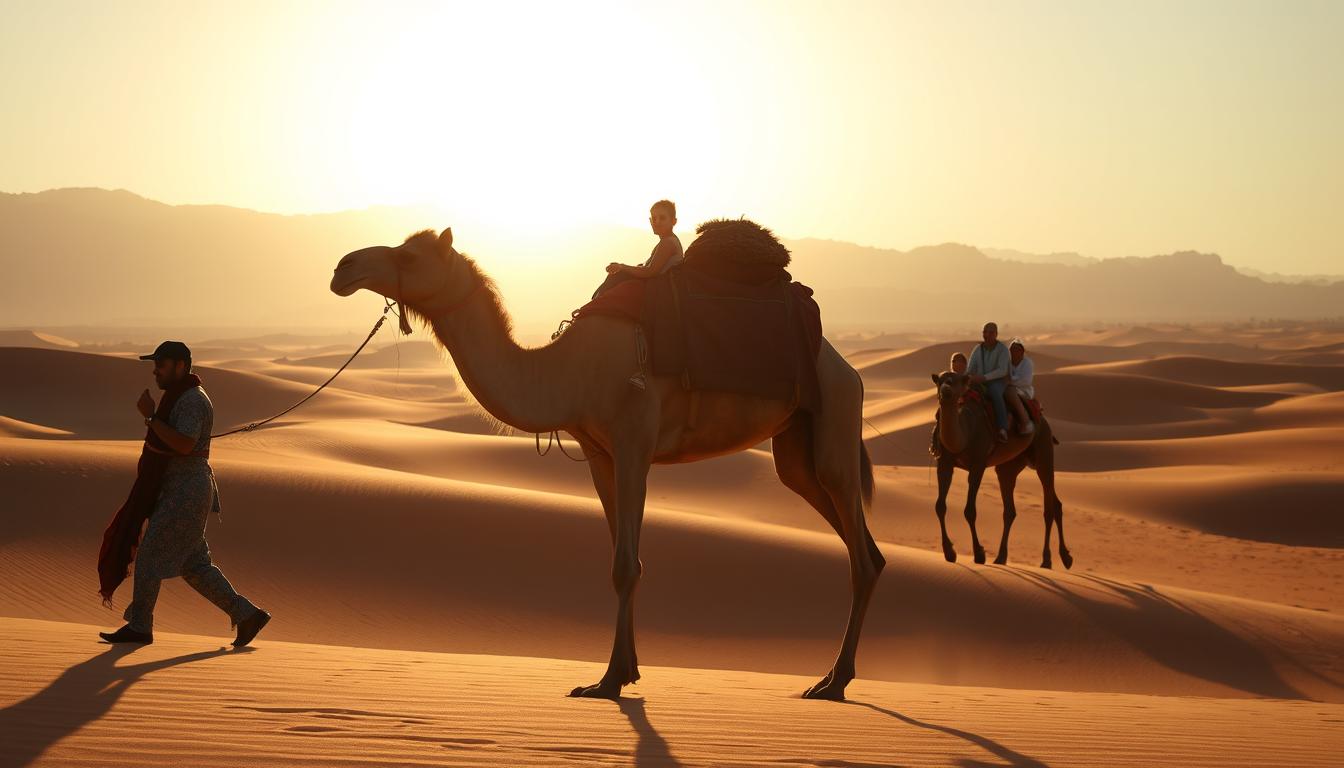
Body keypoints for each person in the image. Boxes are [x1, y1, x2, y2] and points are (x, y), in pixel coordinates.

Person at [98, 340, 270, 646]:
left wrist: (151, 418)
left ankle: (140, 627)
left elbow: (184, 444)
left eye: (161, 365)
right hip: (181, 489)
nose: (156, 371)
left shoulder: (191, 400)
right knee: (194, 565)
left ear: (180, 366)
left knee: (149, 555)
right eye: (155, 365)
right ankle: (247, 615)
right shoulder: (181, 396)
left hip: (187, 491)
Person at [592, 199, 684, 298]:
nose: (657, 222)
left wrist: (622, 267)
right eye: (654, 218)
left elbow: (650, 272)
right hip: (655, 287)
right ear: (650, 221)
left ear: (673, 221)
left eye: (662, 218)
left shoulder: (668, 243)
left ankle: (598, 300)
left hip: (658, 291)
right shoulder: (667, 241)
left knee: (618, 276)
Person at [966, 322, 1011, 442]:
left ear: (996, 334)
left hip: (998, 381)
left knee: (995, 392)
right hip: (979, 381)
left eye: (990, 332)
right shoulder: (977, 349)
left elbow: (1002, 370)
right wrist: (965, 377)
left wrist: (984, 378)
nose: (987, 335)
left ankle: (1003, 428)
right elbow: (970, 369)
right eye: (985, 332)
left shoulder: (1003, 350)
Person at [1006, 338, 1035, 435]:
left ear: (1022, 351)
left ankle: (1025, 422)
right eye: (1012, 349)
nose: (1013, 352)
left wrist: (1010, 381)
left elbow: (1026, 381)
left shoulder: (1027, 363)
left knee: (1011, 393)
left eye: (1016, 349)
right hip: (1007, 387)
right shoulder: (1007, 364)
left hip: (1024, 390)